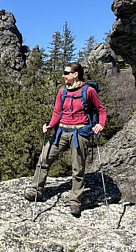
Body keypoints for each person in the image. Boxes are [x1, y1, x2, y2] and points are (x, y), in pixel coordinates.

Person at [25, 62, 107, 217]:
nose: (63, 75)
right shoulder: (62, 92)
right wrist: (50, 126)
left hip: (80, 134)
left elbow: (101, 109)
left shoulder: (88, 91)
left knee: (78, 169)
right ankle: (35, 190)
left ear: (75, 74)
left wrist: (100, 125)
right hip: (61, 132)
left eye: (66, 73)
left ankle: (75, 201)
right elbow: (57, 112)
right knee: (44, 158)